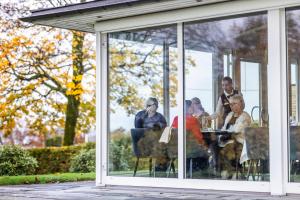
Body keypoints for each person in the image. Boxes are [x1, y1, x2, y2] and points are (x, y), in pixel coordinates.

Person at [219, 95, 251, 179]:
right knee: (214, 146)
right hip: (227, 140)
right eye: (230, 104)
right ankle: (223, 170)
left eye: (234, 104)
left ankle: (233, 171)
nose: (231, 106)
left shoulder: (245, 116)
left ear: (241, 104)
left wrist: (225, 132)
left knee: (229, 147)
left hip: (240, 142)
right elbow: (224, 128)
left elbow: (237, 130)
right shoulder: (229, 115)